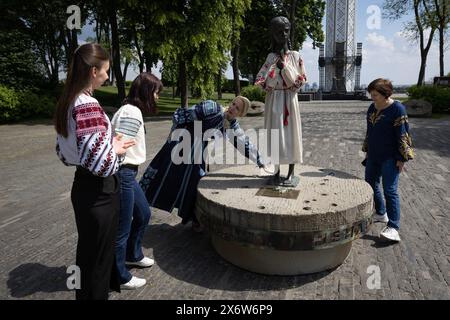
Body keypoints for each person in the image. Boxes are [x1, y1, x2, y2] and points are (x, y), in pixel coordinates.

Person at [54, 43, 135, 299]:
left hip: (83, 188)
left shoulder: (68, 102)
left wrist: (107, 145)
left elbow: (64, 152)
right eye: (105, 71)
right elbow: (102, 165)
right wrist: (117, 149)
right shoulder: (87, 105)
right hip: (99, 193)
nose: (108, 76)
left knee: (89, 257)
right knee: (97, 266)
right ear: (92, 71)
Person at [139, 96, 265, 232]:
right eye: (233, 103)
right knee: (161, 175)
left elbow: (243, 143)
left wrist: (259, 160)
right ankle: (136, 205)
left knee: (194, 183)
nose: (232, 108)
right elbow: (181, 115)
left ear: (240, 114)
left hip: (196, 153)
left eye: (237, 108)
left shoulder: (230, 126)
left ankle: (195, 219)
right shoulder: (212, 108)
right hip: (180, 146)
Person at [111, 73, 163, 290]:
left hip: (128, 174)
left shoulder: (131, 110)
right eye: (156, 92)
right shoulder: (131, 113)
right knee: (122, 227)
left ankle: (133, 254)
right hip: (123, 173)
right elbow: (119, 146)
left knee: (143, 213)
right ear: (147, 92)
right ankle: (118, 275)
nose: (158, 97)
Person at [255, 16, 307, 186]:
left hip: (290, 101)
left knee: (291, 134)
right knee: (274, 135)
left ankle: (291, 173)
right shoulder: (270, 57)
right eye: (279, 31)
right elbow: (260, 81)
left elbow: (300, 81)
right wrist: (274, 74)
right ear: (273, 34)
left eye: (286, 31)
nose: (283, 34)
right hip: (273, 100)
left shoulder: (295, 56)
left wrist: (285, 69)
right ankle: (276, 172)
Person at [362, 78, 414, 242]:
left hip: (390, 158)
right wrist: (368, 151)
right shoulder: (372, 107)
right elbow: (369, 132)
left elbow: (403, 134)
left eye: (375, 94)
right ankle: (380, 213)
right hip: (374, 155)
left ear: (386, 94)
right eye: (371, 94)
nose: (372, 97)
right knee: (370, 184)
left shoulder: (397, 109)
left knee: (390, 190)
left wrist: (402, 158)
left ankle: (393, 227)